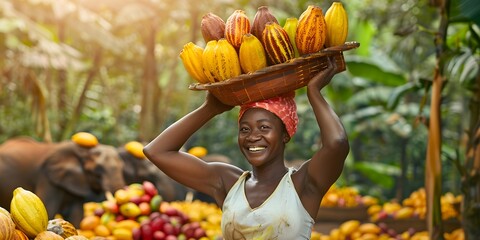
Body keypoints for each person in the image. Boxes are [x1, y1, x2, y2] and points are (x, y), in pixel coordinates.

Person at [143, 56, 349, 239]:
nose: (253, 137)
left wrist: (314, 92)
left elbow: (337, 144)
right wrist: (209, 109)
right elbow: (157, 151)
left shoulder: (302, 185)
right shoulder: (228, 182)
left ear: (285, 134)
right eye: (244, 129)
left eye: (264, 127)